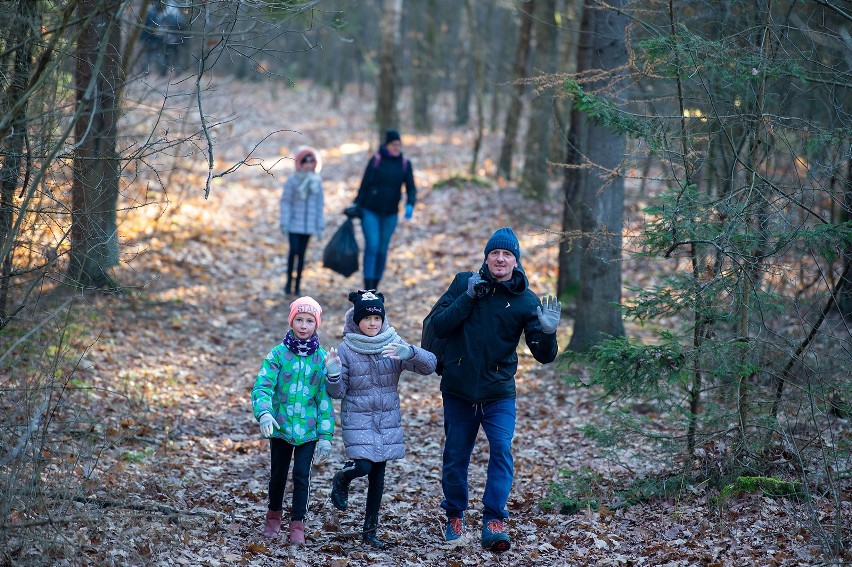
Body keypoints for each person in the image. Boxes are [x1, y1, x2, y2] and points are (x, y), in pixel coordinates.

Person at [430, 227, 562, 553]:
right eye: (495, 253)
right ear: (486, 257)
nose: (500, 259)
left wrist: (547, 332)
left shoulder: (525, 301)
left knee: (501, 450)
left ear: (516, 261)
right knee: (456, 455)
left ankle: (494, 520)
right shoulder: (464, 283)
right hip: (459, 389)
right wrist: (469, 297)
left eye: (507, 254)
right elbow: (439, 324)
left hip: (499, 392)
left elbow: (543, 356)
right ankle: (455, 515)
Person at [324, 290, 437, 548]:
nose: (372, 323)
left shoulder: (392, 342)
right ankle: (342, 478)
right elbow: (338, 392)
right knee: (363, 467)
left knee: (378, 478)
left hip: (386, 421)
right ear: (357, 321)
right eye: (367, 319)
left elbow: (430, 366)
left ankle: (370, 531)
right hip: (358, 419)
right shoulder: (347, 348)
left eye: (377, 317)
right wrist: (332, 374)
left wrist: (410, 352)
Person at [251, 296, 336, 545]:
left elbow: (323, 400)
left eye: (309, 321)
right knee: (277, 475)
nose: (303, 325)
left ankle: (298, 523)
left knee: (302, 476)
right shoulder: (278, 354)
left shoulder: (321, 358)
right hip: (280, 427)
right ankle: (273, 516)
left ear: (316, 325)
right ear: (291, 322)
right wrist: (264, 412)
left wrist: (326, 436)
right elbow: (262, 386)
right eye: (299, 319)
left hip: (308, 432)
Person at [352, 128, 417, 291]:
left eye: (399, 144)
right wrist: (356, 204)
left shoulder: (404, 163)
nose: (396, 147)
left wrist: (410, 204)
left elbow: (411, 187)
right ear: (386, 144)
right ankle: (367, 286)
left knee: (382, 249)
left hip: (390, 214)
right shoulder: (376, 160)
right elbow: (364, 184)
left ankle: (375, 285)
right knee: (372, 246)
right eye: (393, 144)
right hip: (370, 211)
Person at [280, 146, 325, 296]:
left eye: (311, 162)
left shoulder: (316, 181)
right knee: (293, 252)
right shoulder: (293, 180)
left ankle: (297, 285)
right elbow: (286, 201)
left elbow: (319, 204)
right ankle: (288, 283)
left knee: (302, 255)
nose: (308, 165)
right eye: (305, 162)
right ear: (300, 163)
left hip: (309, 225)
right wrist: (285, 221)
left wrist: (319, 224)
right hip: (294, 224)